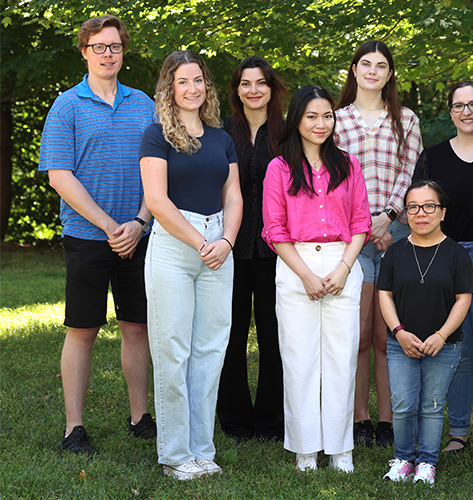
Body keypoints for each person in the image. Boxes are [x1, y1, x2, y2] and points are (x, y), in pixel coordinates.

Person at [39, 15, 156, 456]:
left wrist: (140, 222)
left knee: (137, 327)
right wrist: (110, 226)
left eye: (115, 47)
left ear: (123, 52)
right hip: (88, 237)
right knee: (83, 329)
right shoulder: (67, 105)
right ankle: (74, 427)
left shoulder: (143, 103)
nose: (109, 54)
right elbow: (58, 175)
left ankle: (140, 417)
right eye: (99, 46)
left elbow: (156, 174)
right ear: (85, 52)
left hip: (139, 234)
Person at [139, 50, 243, 480]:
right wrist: (203, 243)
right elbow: (157, 201)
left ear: (207, 86)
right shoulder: (156, 134)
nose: (193, 88)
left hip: (219, 248)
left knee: (210, 351)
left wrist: (227, 242)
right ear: (169, 87)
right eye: (183, 81)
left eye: (198, 80)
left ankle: (203, 450)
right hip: (175, 249)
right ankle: (175, 454)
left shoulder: (222, 138)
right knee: (172, 349)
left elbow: (234, 196)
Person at [262, 85, 371, 472]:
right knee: (300, 359)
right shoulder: (279, 168)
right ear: (297, 120)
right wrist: (307, 275)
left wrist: (342, 269)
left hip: (344, 262)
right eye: (312, 116)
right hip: (297, 266)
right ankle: (306, 449)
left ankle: (341, 448)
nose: (321, 123)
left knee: (341, 359)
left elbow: (361, 222)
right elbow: (275, 231)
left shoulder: (349, 165)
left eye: (327, 116)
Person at [414, 81, 473, 460]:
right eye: (458, 106)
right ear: (450, 112)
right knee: (456, 350)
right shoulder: (433, 156)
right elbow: (422, 208)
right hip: (447, 262)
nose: (466, 112)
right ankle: (457, 432)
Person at [335, 40, 423, 447]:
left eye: (381, 65)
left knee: (389, 334)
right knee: (360, 331)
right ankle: (359, 418)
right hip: (350, 238)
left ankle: (388, 420)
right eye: (366, 64)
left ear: (390, 74)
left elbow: (408, 174)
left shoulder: (405, 119)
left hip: (396, 236)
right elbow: (332, 180)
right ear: (354, 70)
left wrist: (387, 218)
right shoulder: (335, 120)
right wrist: (363, 224)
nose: (373, 70)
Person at [377, 179, 473, 486]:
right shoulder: (395, 253)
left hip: (443, 345)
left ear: (442, 212)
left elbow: (463, 300)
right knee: (403, 404)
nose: (422, 213)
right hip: (400, 343)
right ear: (405, 214)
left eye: (429, 206)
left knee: (432, 405)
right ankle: (404, 458)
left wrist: (442, 335)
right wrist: (399, 331)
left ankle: (427, 463)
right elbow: (385, 295)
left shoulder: (457, 254)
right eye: (413, 207)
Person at [217, 56, 288, 441]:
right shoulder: (223, 132)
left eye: (261, 83)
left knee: (275, 336)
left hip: (278, 253)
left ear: (272, 89)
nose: (254, 90)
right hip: (231, 248)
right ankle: (235, 420)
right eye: (246, 83)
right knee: (230, 334)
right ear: (237, 90)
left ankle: (271, 421)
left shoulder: (289, 133)